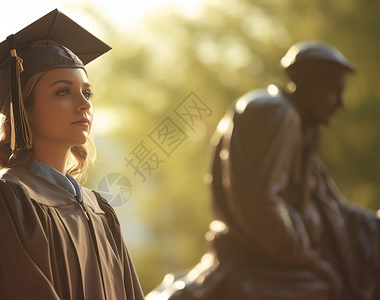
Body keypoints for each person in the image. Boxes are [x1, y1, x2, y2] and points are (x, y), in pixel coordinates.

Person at [147, 42, 380, 300]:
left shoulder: (304, 130)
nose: (340, 103)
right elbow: (261, 205)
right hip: (258, 257)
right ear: (312, 85)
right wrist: (310, 258)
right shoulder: (276, 112)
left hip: (281, 255)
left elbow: (331, 204)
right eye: (335, 91)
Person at [0, 9, 144, 300]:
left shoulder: (100, 209)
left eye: (87, 93)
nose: (83, 104)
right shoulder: (9, 197)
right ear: (23, 109)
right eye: (63, 92)